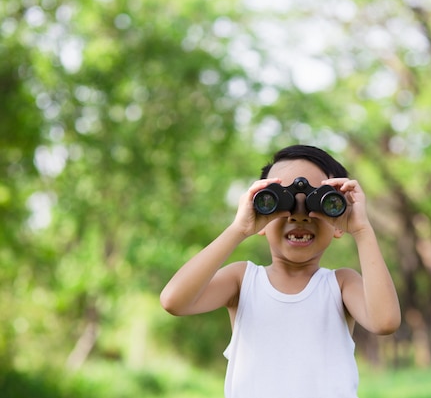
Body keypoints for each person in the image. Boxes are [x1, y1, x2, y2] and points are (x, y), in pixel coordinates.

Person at [160, 144, 401, 398]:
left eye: (315, 202)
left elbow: (384, 322)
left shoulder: (340, 284)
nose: (299, 216)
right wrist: (238, 229)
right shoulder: (242, 281)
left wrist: (362, 230)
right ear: (260, 213)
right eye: (279, 202)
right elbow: (174, 301)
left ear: (338, 218)